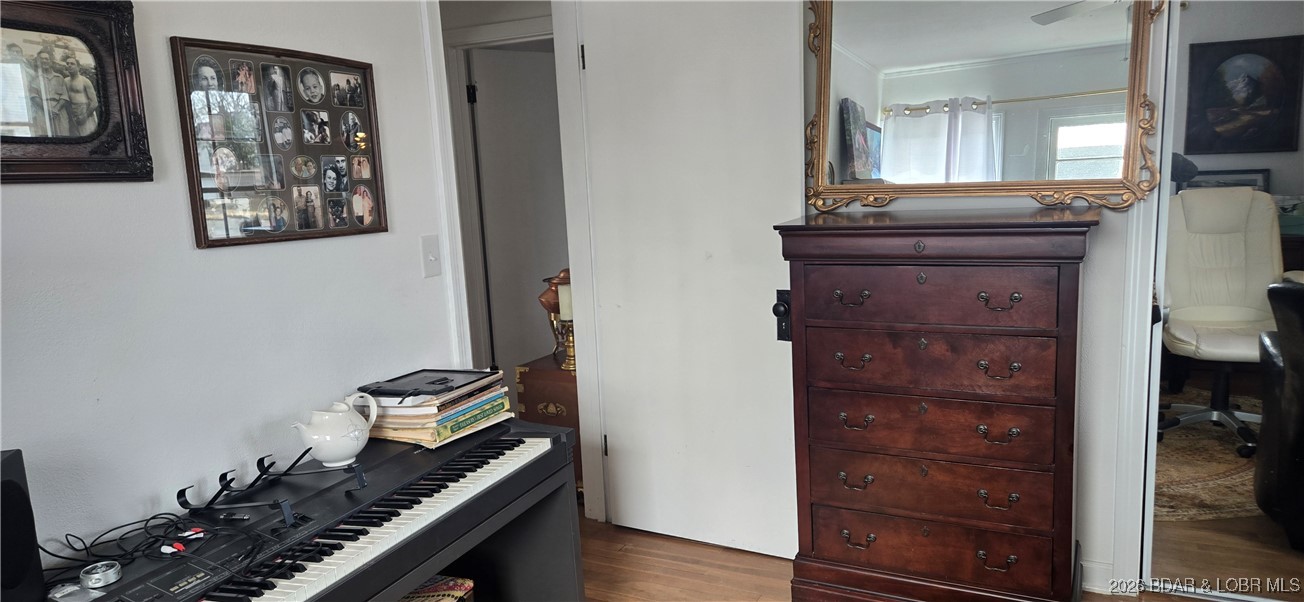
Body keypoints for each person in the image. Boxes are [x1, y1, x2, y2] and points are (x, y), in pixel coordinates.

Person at [33, 50, 69, 136]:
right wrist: (47, 109)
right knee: (44, 136)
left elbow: (64, 96)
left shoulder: (59, 78)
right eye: (41, 59)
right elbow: (34, 96)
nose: (44, 61)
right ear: (38, 62)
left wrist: (56, 108)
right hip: (42, 110)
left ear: (50, 62)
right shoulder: (35, 78)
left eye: (46, 59)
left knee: (62, 137)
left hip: (59, 111)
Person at [63, 55, 98, 136]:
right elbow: (65, 100)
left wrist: (84, 116)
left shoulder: (85, 81)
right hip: (72, 114)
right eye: (67, 63)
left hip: (85, 112)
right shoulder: (65, 81)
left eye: (72, 64)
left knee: (88, 135)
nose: (69, 65)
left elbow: (94, 102)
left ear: (78, 67)